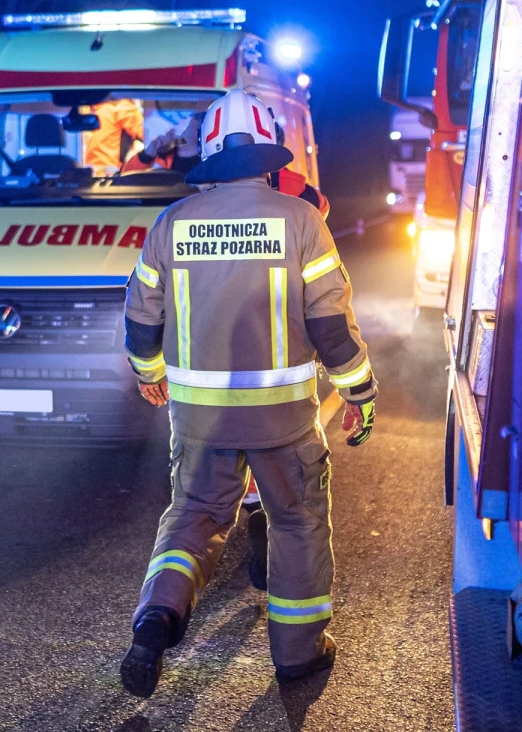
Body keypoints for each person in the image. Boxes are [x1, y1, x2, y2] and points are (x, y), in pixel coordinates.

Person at [119, 89, 377, 697]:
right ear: (267, 154)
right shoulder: (300, 219)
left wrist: (149, 371)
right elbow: (330, 327)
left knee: (192, 519)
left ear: (208, 150)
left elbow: (140, 315)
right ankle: (297, 654)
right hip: (282, 418)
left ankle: (158, 616)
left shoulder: (172, 224)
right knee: (296, 522)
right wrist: (359, 391)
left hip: (200, 417)